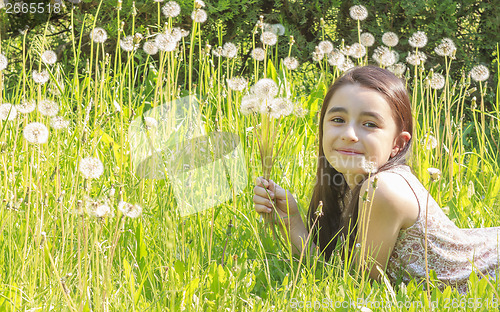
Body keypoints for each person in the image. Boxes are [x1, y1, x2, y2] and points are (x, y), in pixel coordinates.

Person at [253, 65, 499, 294]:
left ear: (398, 144)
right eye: (338, 120)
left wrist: (294, 227)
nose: (349, 134)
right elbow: (328, 270)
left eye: (369, 124)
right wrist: (291, 221)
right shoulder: (346, 185)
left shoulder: (383, 189)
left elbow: (354, 285)